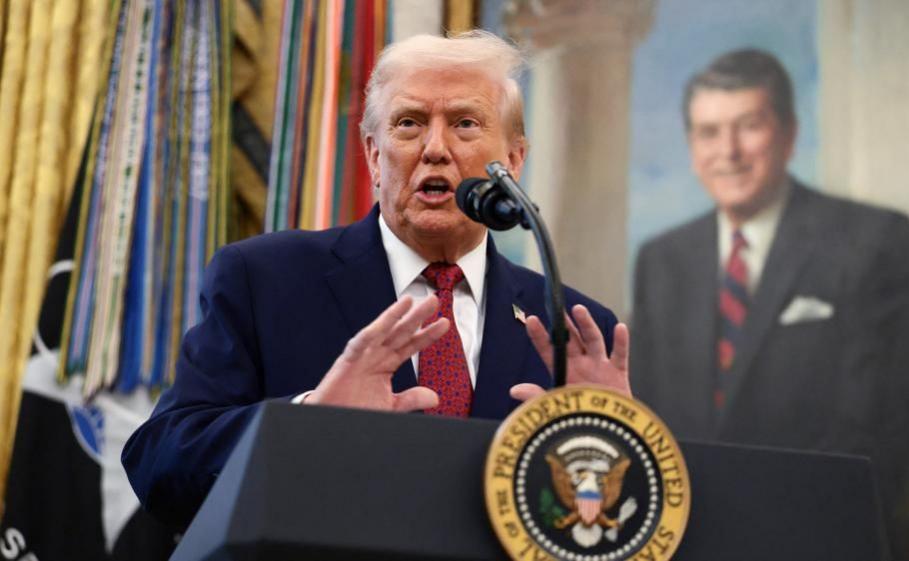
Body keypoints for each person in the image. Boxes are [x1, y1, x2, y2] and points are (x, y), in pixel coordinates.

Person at [122, 31, 630, 531]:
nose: (435, 148)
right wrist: (309, 421)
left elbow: (606, 526)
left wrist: (620, 446)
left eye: (465, 124)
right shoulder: (265, 279)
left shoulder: (575, 330)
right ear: (373, 155)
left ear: (513, 161)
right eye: (408, 123)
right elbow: (159, 465)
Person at [630, 49, 909, 528]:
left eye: (748, 125)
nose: (728, 151)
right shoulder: (661, 260)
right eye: (708, 132)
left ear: (788, 134)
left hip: (816, 537)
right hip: (681, 537)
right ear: (691, 147)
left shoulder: (872, 242)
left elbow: (880, 429)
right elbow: (649, 416)